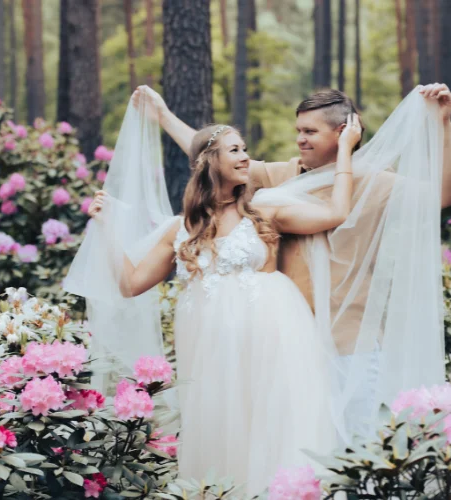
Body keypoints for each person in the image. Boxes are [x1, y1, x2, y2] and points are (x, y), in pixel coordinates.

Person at [133, 84, 451, 438]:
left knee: (358, 444)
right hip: (288, 344)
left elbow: (444, 195)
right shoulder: (283, 174)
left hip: (350, 344)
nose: (300, 140)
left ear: (342, 132)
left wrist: (443, 123)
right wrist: (163, 116)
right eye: (298, 130)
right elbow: (213, 155)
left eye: (309, 132)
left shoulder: (375, 183)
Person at [71, 110, 363, 494]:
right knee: (221, 425)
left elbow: (336, 213)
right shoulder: (181, 229)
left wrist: (345, 149)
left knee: (273, 422)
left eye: (244, 149)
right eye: (234, 150)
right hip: (209, 348)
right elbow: (130, 284)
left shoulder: (264, 210)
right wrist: (107, 227)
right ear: (210, 162)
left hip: (270, 335)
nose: (245, 157)